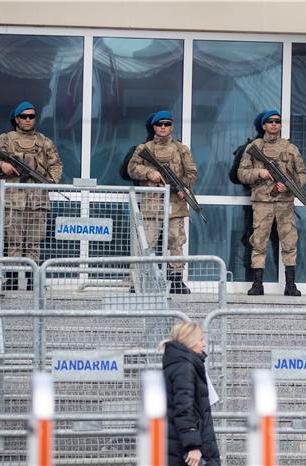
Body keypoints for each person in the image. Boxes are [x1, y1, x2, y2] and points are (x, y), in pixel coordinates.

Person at [0, 101, 63, 291]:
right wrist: (2, 167)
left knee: (34, 243)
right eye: (24, 116)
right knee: (13, 242)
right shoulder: (6, 139)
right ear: (16, 119)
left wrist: (52, 180)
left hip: (37, 201)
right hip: (14, 200)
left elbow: (56, 164)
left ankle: (32, 282)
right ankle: (11, 280)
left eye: (31, 116)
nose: (28, 120)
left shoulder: (44, 142)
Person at [237, 109, 306, 296]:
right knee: (259, 242)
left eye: (277, 121)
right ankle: (257, 284)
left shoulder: (290, 148)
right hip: (262, 202)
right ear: (263, 125)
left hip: (284, 203)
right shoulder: (254, 147)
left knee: (289, 242)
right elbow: (241, 174)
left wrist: (291, 186)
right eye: (270, 121)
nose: (274, 124)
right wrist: (258, 173)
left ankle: (290, 285)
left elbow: (302, 173)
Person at [127, 111, 198, 294]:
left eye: (167, 124)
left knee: (176, 242)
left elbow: (192, 173)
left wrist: (184, 187)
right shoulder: (145, 149)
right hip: (151, 205)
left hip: (174, 205)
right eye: (159, 124)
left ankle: (175, 281)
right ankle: (141, 281)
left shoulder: (182, 149)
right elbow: (132, 169)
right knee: (147, 243)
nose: (163, 127)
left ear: (172, 126)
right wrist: (150, 173)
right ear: (154, 127)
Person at [159, 322, 220, 466]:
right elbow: (184, 408)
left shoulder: (179, 364)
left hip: (179, 443)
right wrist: (193, 445)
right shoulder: (185, 367)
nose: (204, 344)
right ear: (190, 341)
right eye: (201, 339)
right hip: (188, 448)